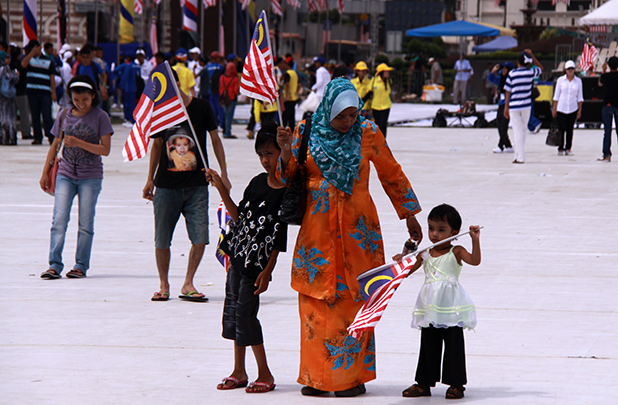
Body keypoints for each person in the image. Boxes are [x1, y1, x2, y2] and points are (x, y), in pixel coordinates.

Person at [275, 78, 423, 397]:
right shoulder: (306, 131)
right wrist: (285, 150)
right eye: (341, 116)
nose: (347, 122)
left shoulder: (368, 132)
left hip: (359, 232)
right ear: (328, 109)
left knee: (355, 301)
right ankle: (316, 377)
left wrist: (409, 213)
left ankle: (349, 379)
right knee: (316, 302)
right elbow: (287, 177)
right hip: (317, 232)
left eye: (353, 115)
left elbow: (391, 172)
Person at [208, 122, 288, 394]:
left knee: (247, 313)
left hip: (257, 264)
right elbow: (239, 217)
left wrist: (268, 270)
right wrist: (220, 188)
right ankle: (239, 370)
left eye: (270, 153)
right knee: (233, 313)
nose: (266, 160)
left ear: (281, 153)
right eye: (261, 155)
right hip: (238, 255)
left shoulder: (286, 192)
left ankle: (265, 372)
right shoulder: (256, 183)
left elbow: (279, 237)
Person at [143, 68, 230, 302]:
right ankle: (164, 285)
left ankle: (188, 282)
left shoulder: (201, 107)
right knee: (162, 239)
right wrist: (150, 178)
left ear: (176, 83)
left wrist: (223, 172)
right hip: (165, 187)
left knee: (200, 237)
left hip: (197, 185)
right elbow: (157, 146)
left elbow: (215, 139)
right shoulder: (161, 112)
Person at [398, 204, 480, 400]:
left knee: (454, 344)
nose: (434, 234)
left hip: (450, 308)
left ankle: (456, 384)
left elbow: (475, 261)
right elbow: (406, 272)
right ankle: (424, 382)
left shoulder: (456, 251)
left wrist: (475, 241)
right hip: (430, 307)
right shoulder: (425, 253)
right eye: (431, 228)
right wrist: (402, 258)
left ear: (454, 232)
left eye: (441, 230)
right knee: (428, 343)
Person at [39, 75, 113, 279]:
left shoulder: (101, 116)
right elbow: (55, 146)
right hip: (65, 173)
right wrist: (45, 172)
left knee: (86, 223)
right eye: (76, 100)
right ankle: (54, 265)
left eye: (85, 100)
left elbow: (105, 149)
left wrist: (79, 142)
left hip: (91, 176)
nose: (80, 104)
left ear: (93, 96)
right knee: (59, 220)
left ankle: (81, 265)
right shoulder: (64, 114)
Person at [504, 50, 543, 164]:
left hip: (514, 106)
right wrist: (533, 55)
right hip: (526, 105)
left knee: (517, 131)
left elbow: (508, 91)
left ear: (518, 62)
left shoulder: (512, 74)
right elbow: (541, 68)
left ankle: (520, 157)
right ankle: (518, 154)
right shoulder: (530, 72)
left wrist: (506, 106)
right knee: (523, 129)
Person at [21, 39, 57, 144]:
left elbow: (52, 78)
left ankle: (51, 137)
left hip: (45, 92)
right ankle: (37, 137)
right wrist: (32, 53)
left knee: (47, 115)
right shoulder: (29, 59)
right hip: (32, 92)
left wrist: (53, 92)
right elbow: (23, 65)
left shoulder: (48, 60)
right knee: (35, 115)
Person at [552, 60, 583, 156]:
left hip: (573, 107)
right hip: (562, 107)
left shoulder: (578, 81)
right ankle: (560, 147)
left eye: (572, 69)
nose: (570, 71)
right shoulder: (560, 80)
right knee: (561, 129)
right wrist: (554, 109)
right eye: (569, 69)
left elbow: (580, 97)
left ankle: (568, 148)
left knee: (570, 129)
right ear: (565, 70)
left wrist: (579, 110)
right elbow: (556, 96)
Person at [487, 62, 514, 154]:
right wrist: (493, 71)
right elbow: (491, 78)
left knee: (503, 125)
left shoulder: (512, 81)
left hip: (508, 104)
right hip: (501, 104)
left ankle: (500, 146)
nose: (503, 71)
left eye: (506, 69)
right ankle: (508, 145)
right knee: (499, 123)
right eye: (503, 69)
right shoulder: (501, 79)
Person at [596, 56, 618, 162]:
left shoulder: (606, 77)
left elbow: (600, 83)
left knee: (607, 131)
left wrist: (603, 71)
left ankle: (606, 154)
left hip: (607, 105)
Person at [11, 45, 32, 140]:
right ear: (19, 55)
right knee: (24, 114)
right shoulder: (20, 65)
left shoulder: (9, 65)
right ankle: (26, 132)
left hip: (10, 93)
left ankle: (11, 132)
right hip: (21, 92)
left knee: (11, 114)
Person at [113, 53, 141, 126]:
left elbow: (122, 75)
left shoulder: (128, 66)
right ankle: (133, 119)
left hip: (128, 88)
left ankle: (129, 119)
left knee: (128, 104)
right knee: (133, 104)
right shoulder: (137, 66)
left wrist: (120, 85)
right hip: (135, 88)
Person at [0, 50, 18, 145]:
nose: (8, 60)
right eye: (6, 57)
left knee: (8, 117)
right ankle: (6, 137)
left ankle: (9, 138)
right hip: (3, 97)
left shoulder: (8, 69)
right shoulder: (4, 69)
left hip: (8, 97)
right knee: (5, 118)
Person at [371, 63, 393, 138]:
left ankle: (383, 142)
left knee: (383, 125)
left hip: (386, 106)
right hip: (375, 106)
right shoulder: (374, 80)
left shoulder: (389, 81)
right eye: (386, 71)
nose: (388, 73)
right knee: (377, 125)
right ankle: (377, 141)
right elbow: (368, 93)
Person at [277, 57, 300, 129]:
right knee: (292, 117)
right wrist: (296, 92)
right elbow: (299, 85)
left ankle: (282, 129)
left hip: (288, 98)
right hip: (294, 97)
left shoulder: (287, 74)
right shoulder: (294, 73)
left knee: (285, 116)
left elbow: (287, 84)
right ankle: (292, 131)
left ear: (287, 65)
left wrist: (286, 96)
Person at [219, 61, 240, 139]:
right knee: (229, 116)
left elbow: (221, 88)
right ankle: (228, 132)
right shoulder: (235, 78)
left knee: (225, 115)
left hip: (224, 99)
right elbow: (236, 90)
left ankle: (225, 132)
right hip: (232, 99)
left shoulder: (222, 77)